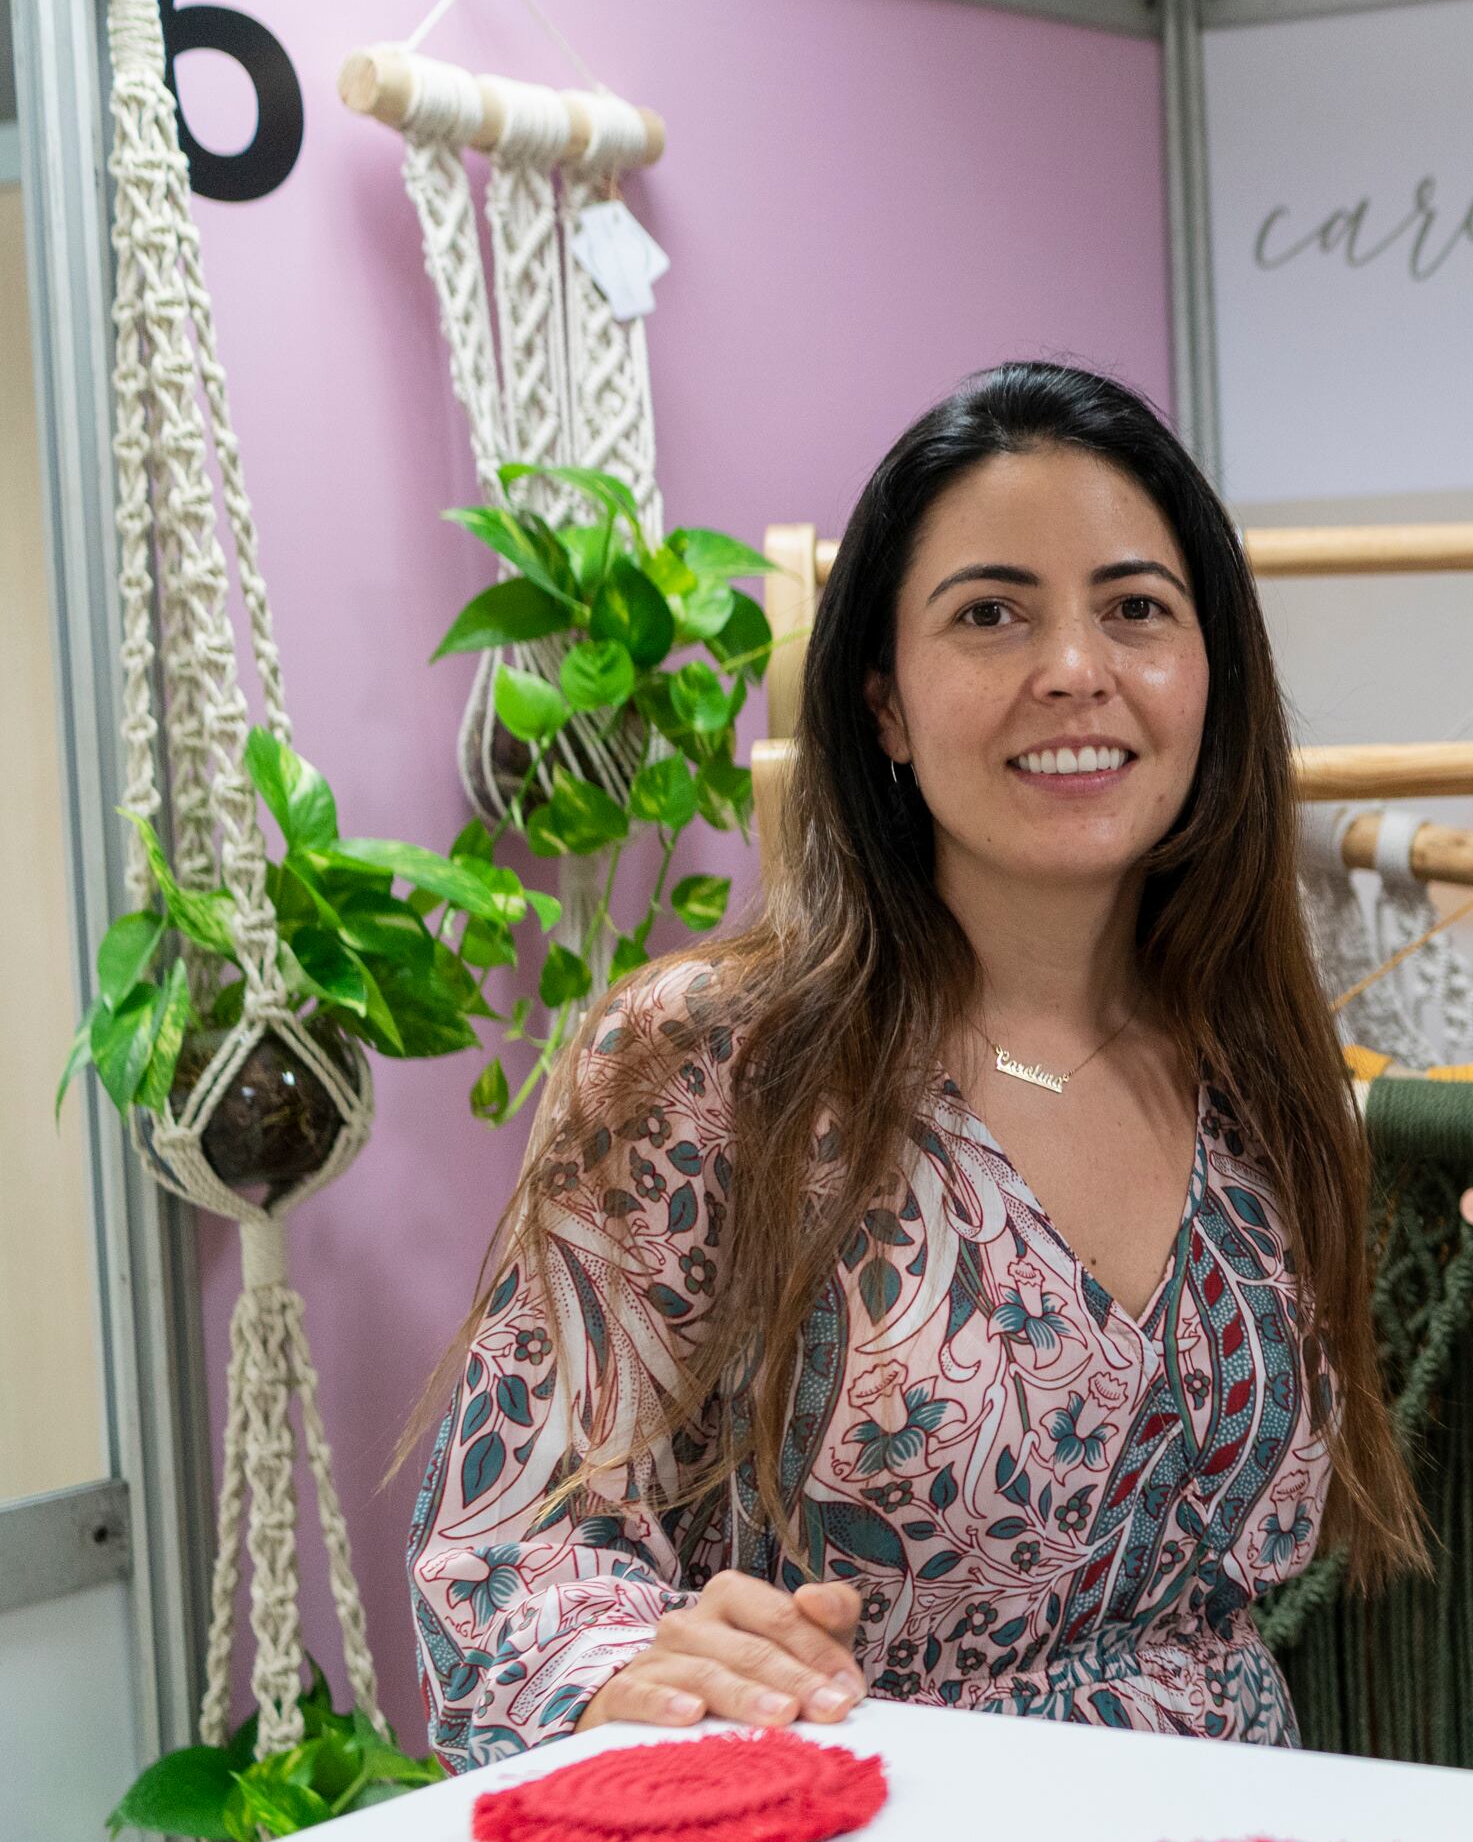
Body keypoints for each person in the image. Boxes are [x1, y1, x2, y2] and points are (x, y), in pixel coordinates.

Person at [407, 362, 1414, 1767]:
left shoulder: (1263, 1069)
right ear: (883, 702)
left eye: (1136, 609)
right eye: (991, 613)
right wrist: (642, 1669)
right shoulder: (711, 1059)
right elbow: (509, 1555)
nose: (1076, 669)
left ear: (1212, 676)